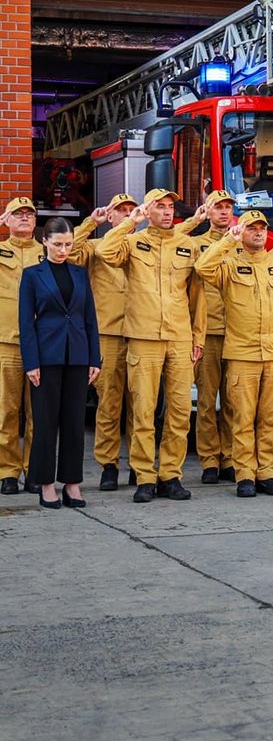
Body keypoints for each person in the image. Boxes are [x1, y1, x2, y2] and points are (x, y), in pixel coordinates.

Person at [95, 188, 205, 502]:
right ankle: (144, 476)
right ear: (148, 210)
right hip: (143, 338)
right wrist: (132, 221)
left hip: (179, 338)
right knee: (143, 410)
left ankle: (170, 475)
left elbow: (197, 298)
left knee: (180, 412)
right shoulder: (132, 242)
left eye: (170, 207)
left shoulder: (187, 245)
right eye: (160, 207)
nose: (167, 212)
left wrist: (197, 337)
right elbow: (104, 251)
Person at [195, 211, 273, 497]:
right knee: (242, 417)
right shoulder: (230, 264)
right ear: (242, 232)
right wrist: (228, 240)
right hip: (242, 354)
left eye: (261, 228)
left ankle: (267, 473)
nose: (258, 232)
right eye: (252, 228)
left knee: (271, 418)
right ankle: (244, 475)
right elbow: (203, 267)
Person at [20, 218, 100, 510]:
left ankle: (72, 483)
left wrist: (94, 358)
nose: (63, 250)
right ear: (45, 241)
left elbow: (89, 317)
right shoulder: (32, 275)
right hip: (46, 357)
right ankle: (45, 484)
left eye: (68, 244)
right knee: (45, 422)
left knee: (74, 422)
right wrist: (31, 362)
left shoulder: (80, 274)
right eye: (57, 244)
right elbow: (26, 322)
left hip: (77, 356)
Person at [72, 194, 137, 490]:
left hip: (141, 334)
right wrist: (90, 222)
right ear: (110, 216)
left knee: (141, 405)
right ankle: (108, 465)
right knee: (109, 403)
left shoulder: (143, 245)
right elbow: (68, 252)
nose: (126, 214)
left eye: (131, 210)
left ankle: (138, 464)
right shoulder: (96, 247)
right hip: (107, 335)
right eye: (120, 211)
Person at [190, 189, 240, 484]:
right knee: (207, 401)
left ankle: (230, 458)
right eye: (218, 207)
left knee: (233, 401)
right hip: (207, 332)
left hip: (237, 332)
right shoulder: (196, 245)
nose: (224, 212)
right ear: (206, 211)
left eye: (227, 207)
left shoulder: (242, 244)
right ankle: (209, 459)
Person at [0, 197, 44, 494]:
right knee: (6, 411)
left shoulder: (47, 252)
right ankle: (7, 471)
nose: (25, 217)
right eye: (18, 214)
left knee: (38, 413)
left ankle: (34, 471)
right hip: (7, 341)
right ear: (7, 219)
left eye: (29, 213)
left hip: (42, 344)